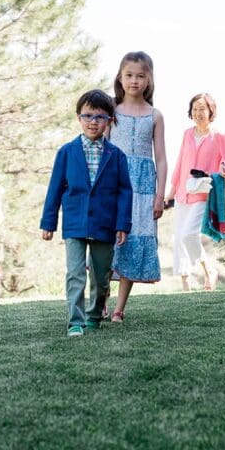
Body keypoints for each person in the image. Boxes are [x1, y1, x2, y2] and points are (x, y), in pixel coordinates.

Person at [40, 89, 132, 337]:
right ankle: (75, 321)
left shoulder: (117, 156)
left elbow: (125, 191)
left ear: (109, 120)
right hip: (75, 222)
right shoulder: (66, 152)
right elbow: (55, 189)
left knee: (102, 277)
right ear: (79, 118)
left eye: (100, 117)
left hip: (105, 223)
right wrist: (49, 222)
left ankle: (93, 316)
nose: (93, 121)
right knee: (75, 273)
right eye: (88, 116)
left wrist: (123, 224)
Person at [108, 51, 167, 322]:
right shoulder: (111, 111)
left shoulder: (154, 115)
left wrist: (160, 196)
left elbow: (162, 158)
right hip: (113, 184)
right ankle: (101, 300)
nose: (134, 80)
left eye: (140, 76)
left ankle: (120, 308)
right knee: (107, 241)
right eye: (129, 75)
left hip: (143, 189)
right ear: (120, 77)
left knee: (132, 241)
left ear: (149, 79)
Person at [166, 93, 225, 291]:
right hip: (182, 193)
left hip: (203, 193)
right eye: (195, 109)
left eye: (202, 109)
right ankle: (185, 285)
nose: (198, 113)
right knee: (179, 237)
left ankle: (209, 271)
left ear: (210, 111)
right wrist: (171, 191)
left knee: (189, 235)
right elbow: (180, 162)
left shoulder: (220, 135)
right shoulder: (187, 133)